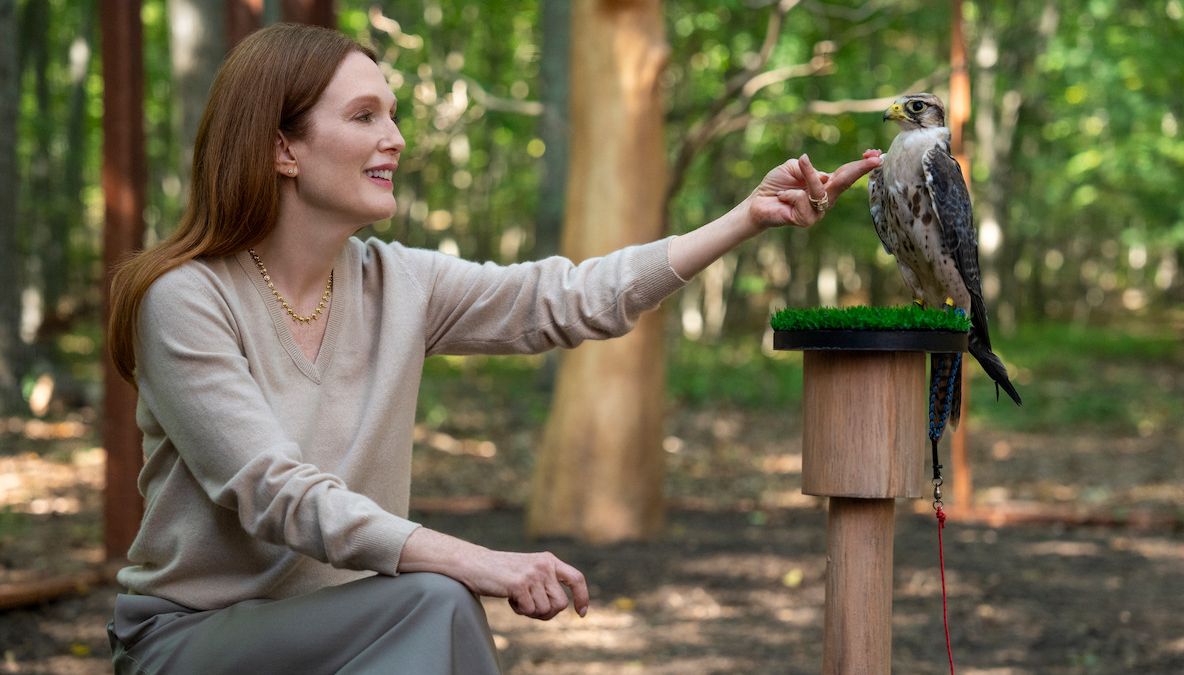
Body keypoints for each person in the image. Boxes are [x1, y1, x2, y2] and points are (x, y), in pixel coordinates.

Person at [104, 22, 881, 674]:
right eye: (366, 116)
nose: (396, 138)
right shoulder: (185, 299)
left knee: (432, 607)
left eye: (394, 114)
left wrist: (746, 217)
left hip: (358, 620)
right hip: (193, 639)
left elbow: (572, 298)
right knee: (440, 599)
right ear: (283, 148)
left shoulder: (395, 282)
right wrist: (480, 561)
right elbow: (277, 492)